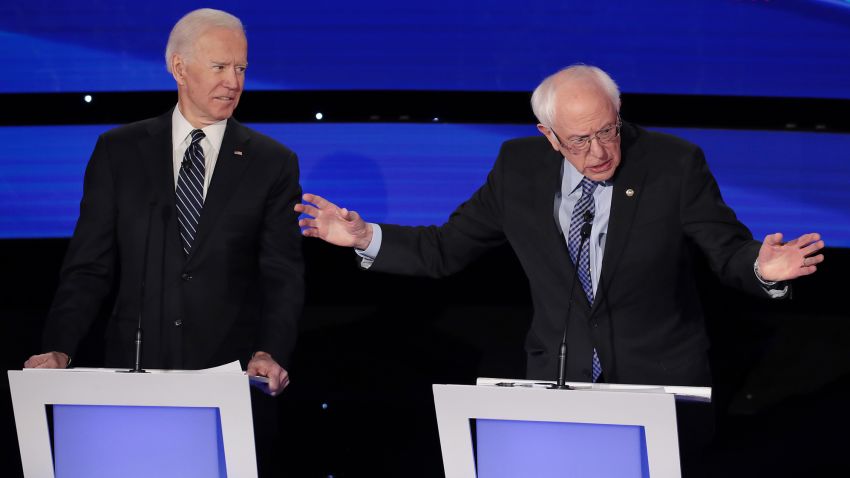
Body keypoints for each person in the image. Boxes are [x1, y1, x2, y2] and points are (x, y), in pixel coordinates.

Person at [295, 64, 824, 387]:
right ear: (548, 136)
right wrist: (366, 238)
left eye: (608, 131)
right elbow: (445, 249)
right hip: (559, 381)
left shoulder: (673, 163)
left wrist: (763, 268)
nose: (598, 152)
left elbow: (724, 247)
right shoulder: (517, 169)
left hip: (661, 382)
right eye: (578, 140)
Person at [24, 8, 304, 395]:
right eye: (220, 67)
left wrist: (269, 351)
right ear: (179, 67)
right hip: (131, 371)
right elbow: (88, 267)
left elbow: (282, 276)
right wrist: (59, 348)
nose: (233, 82)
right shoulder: (117, 152)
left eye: (241, 68)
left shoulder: (273, 162)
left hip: (230, 376)